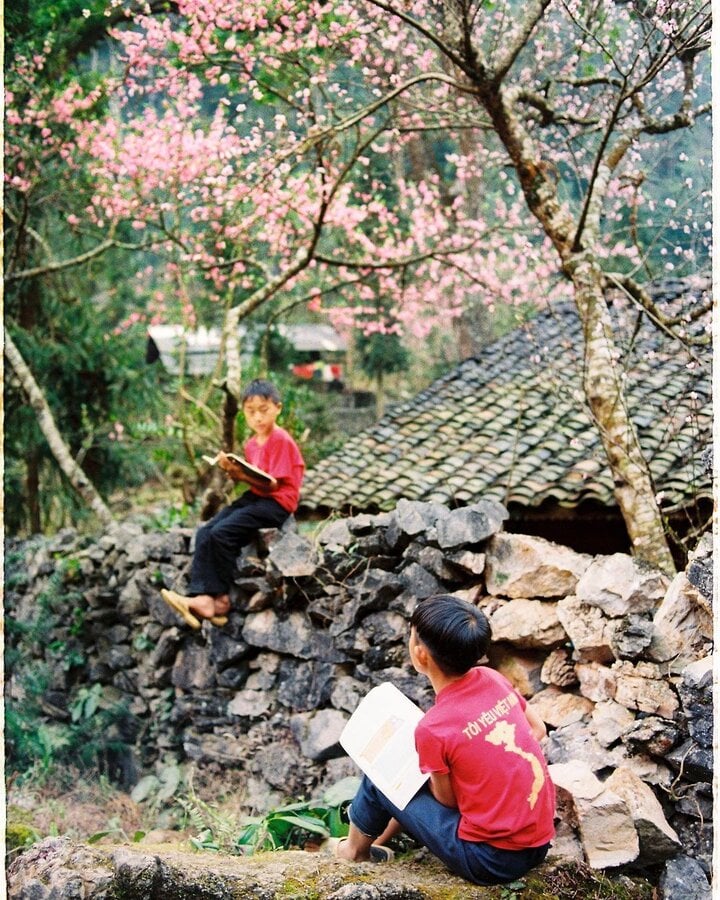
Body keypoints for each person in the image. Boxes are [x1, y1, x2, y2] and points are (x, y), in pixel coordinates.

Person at [335, 594, 555, 885]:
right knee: (410, 774)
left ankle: (352, 852)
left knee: (381, 774)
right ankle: (377, 843)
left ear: (421, 654)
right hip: (537, 843)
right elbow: (538, 729)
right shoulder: (492, 679)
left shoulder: (434, 728)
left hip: (489, 860)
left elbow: (446, 801)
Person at [161, 379, 305, 629]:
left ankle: (211, 599)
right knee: (206, 530)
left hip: (278, 503)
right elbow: (258, 482)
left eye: (264, 410)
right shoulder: (251, 444)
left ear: (277, 408)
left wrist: (242, 475)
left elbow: (272, 485)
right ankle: (214, 599)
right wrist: (233, 469)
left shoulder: (281, 440)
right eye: (251, 412)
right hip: (258, 496)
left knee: (222, 532)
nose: (258, 417)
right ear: (244, 414)